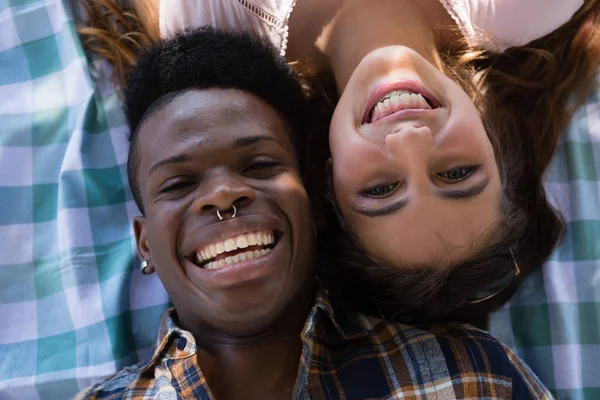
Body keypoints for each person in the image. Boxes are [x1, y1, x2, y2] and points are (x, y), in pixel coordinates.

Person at [75, 27, 553, 399]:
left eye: (260, 165)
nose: (222, 195)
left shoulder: (475, 378)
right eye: (178, 184)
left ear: (316, 206)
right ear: (144, 244)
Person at [76, 0, 600, 322]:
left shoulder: (210, 24)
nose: (409, 141)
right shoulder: (533, 5)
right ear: (496, 144)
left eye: (380, 189)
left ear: (326, 176)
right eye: (457, 173)